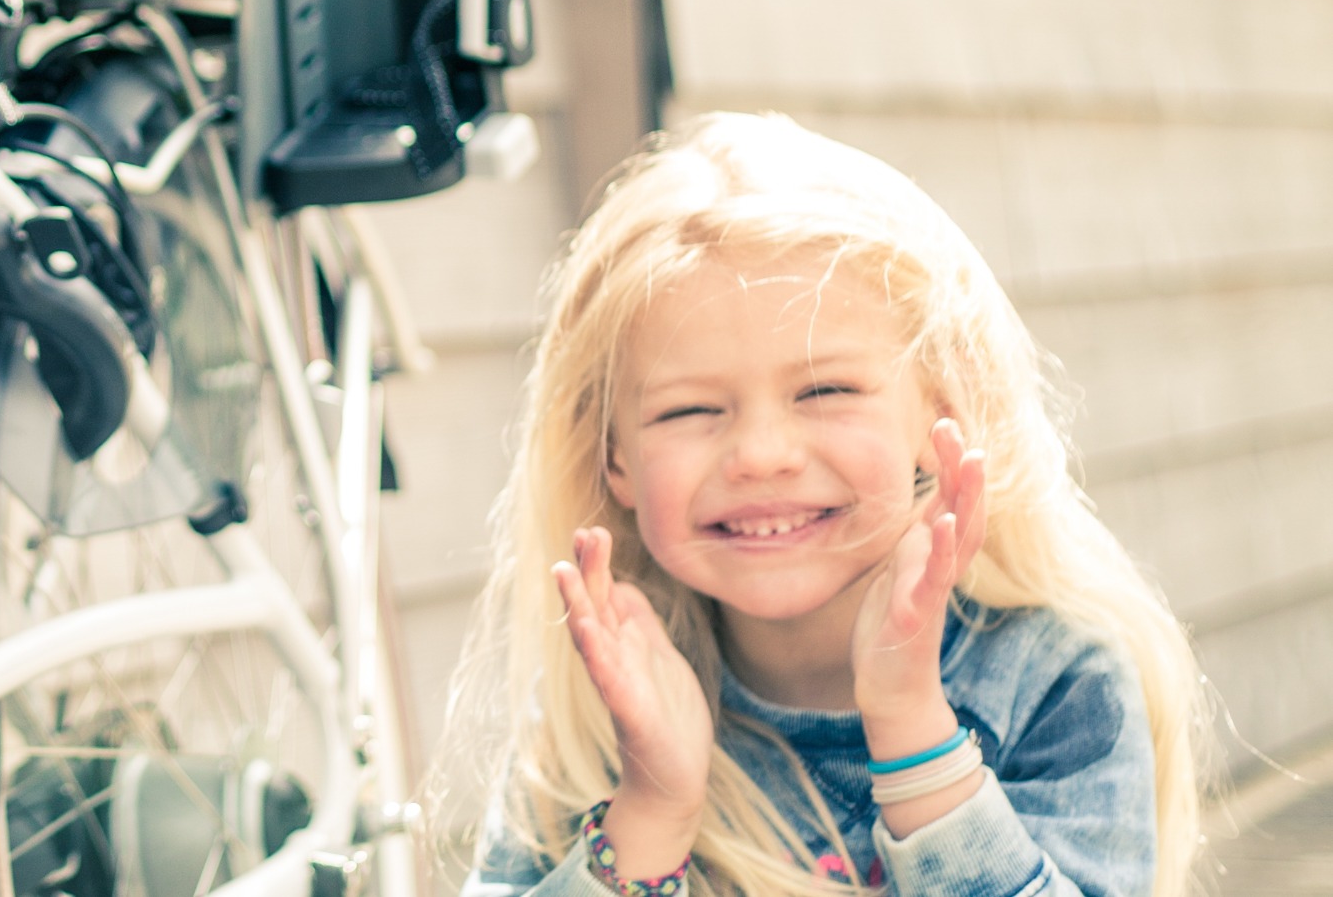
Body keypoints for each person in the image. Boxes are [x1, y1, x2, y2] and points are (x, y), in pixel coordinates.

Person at [442, 114, 1202, 897]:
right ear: (615, 459)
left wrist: (913, 733)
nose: (761, 454)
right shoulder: (604, 710)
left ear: (940, 414)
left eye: (825, 390)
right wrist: (653, 812)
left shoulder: (1051, 682)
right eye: (690, 411)